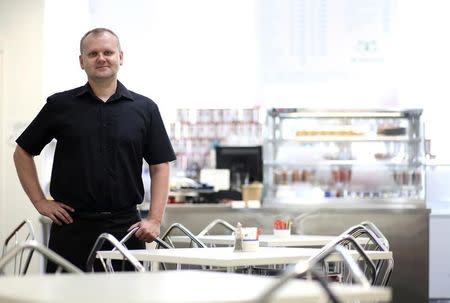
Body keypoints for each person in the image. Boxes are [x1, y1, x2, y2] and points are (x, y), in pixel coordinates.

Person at [13, 28, 176, 272]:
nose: (101, 58)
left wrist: (154, 219)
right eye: (93, 53)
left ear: (120, 57)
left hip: (126, 230)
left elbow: (160, 166)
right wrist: (39, 201)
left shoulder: (145, 108)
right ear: (82, 61)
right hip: (71, 227)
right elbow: (22, 152)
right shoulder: (60, 105)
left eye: (108, 52)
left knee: (125, 299)